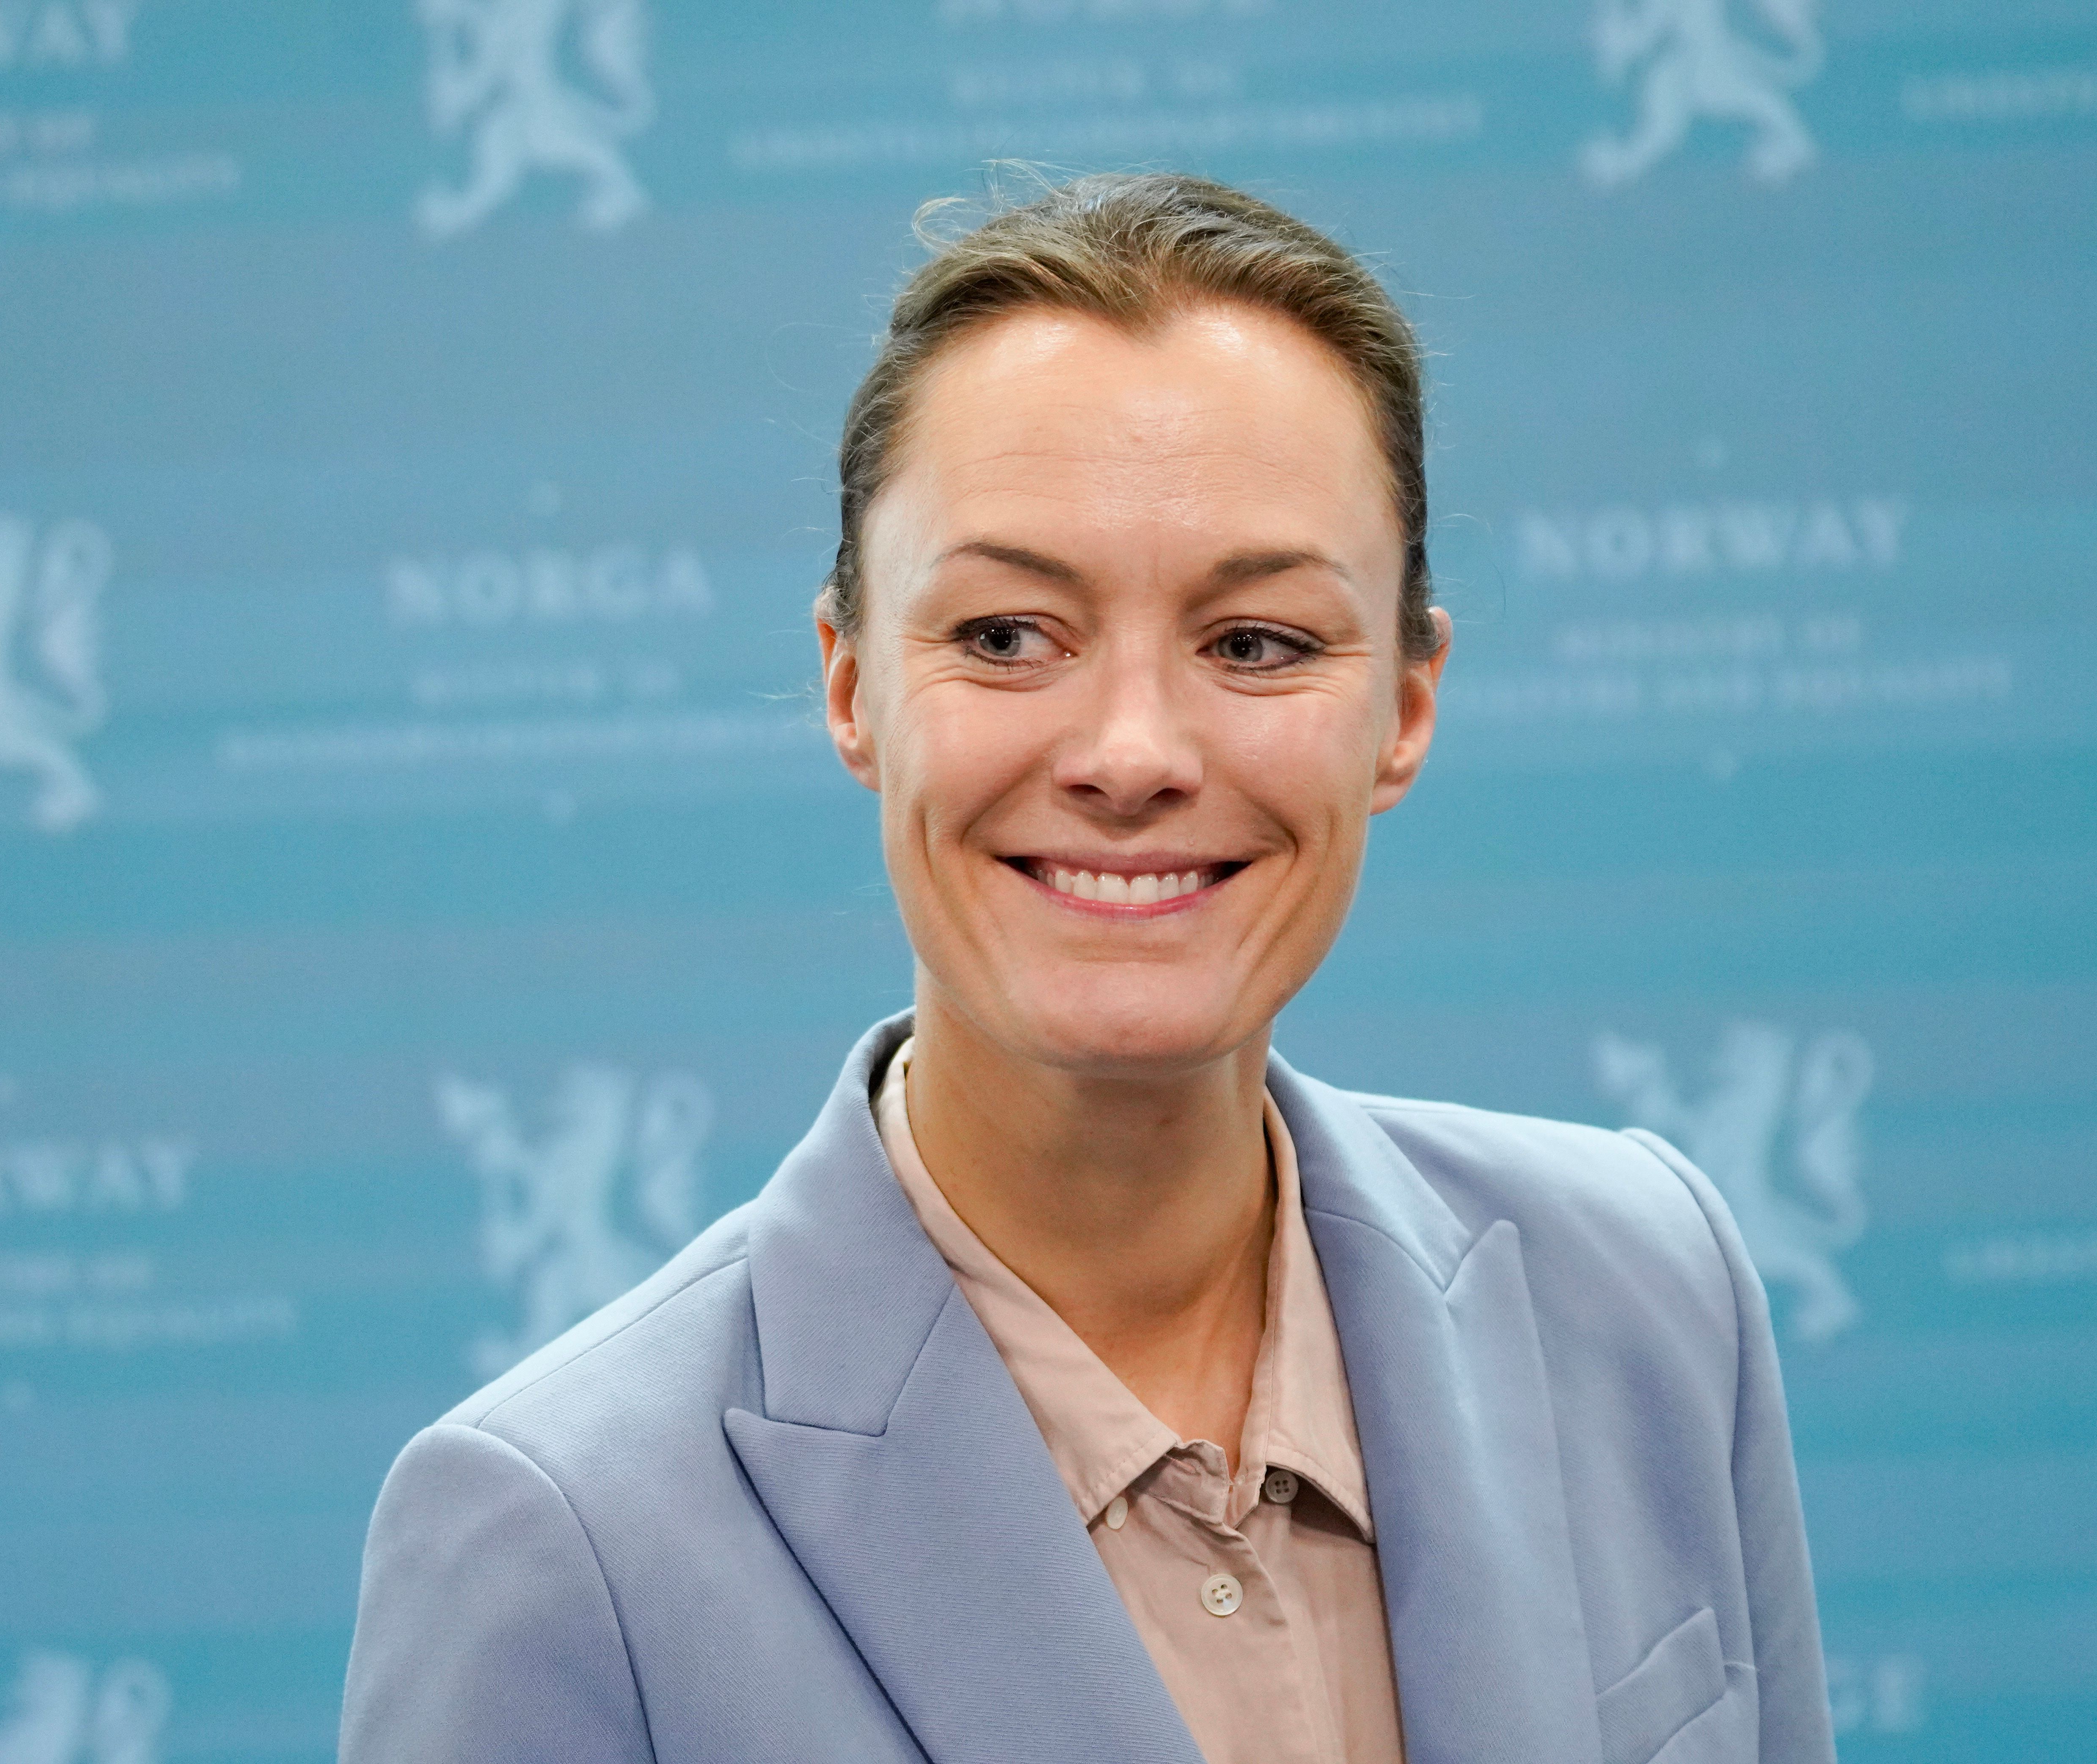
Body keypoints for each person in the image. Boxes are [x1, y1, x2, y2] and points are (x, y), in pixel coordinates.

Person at [340, 172, 1834, 1764]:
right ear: (850, 685)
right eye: (1006, 637)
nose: (1131, 754)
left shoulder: (1648, 1292)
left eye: (1255, 643)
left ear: (1405, 708)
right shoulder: (558, 1537)